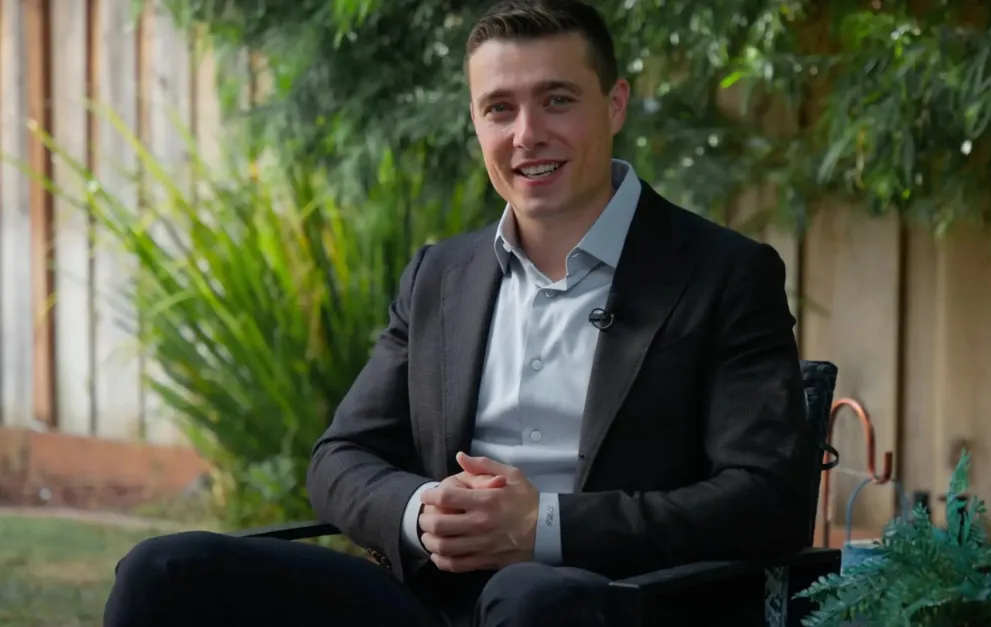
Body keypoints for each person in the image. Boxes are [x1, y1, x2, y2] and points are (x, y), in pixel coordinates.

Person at [101, 1, 814, 625]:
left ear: (616, 103)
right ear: (476, 121)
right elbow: (339, 456)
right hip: (422, 596)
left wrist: (545, 527)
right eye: (499, 107)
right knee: (161, 571)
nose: (526, 133)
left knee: (532, 598)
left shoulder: (723, 273)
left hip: (603, 598)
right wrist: (420, 510)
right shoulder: (439, 275)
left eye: (557, 100)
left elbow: (764, 499)